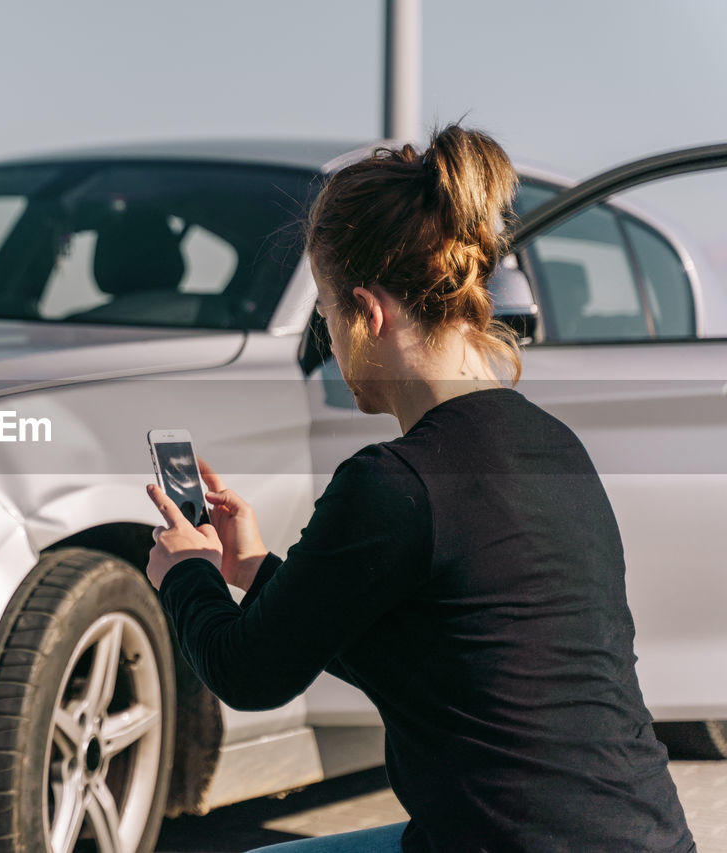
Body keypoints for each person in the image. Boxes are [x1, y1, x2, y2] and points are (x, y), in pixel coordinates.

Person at [144, 124, 697, 852]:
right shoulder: (555, 448)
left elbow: (247, 673)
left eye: (328, 316)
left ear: (369, 314)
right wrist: (253, 572)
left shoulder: (394, 484)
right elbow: (433, 650)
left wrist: (184, 573)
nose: (331, 343)